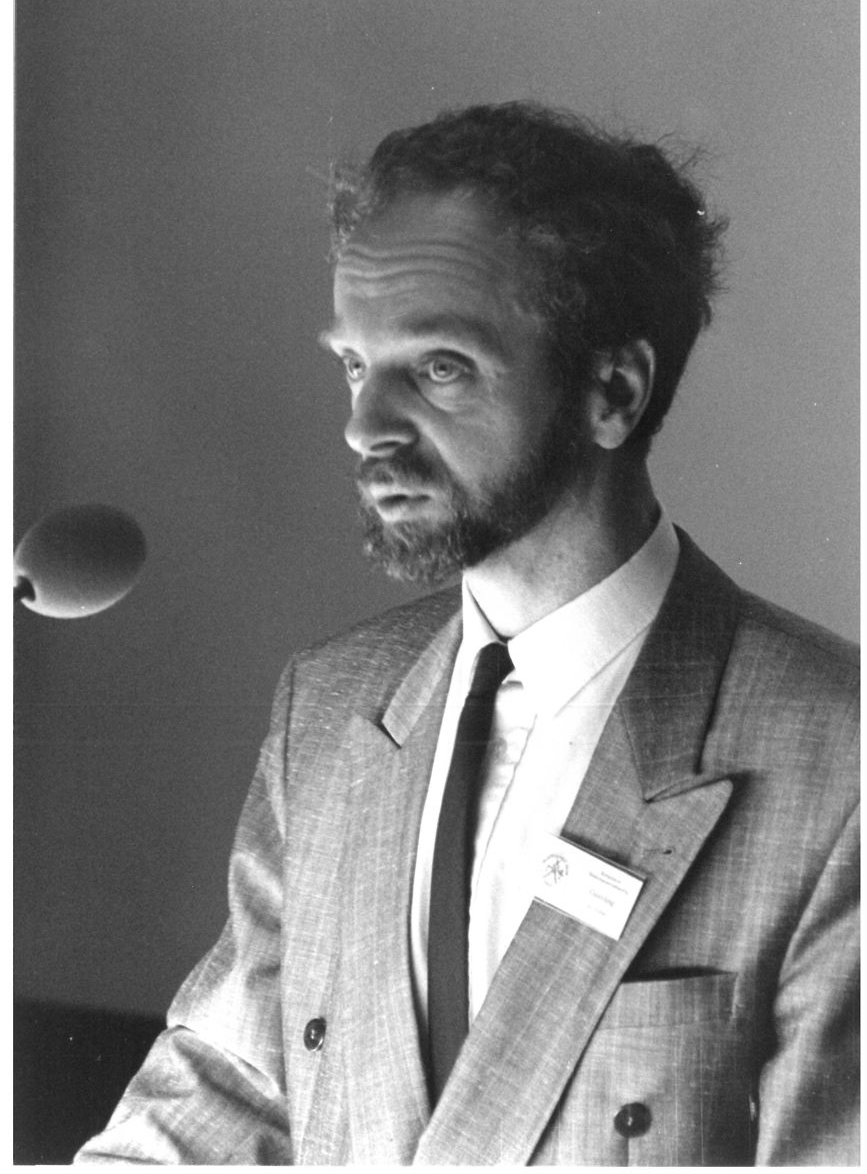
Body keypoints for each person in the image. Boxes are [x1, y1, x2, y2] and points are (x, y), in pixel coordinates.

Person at [75, 102, 858, 1165]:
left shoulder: (838, 761)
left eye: (438, 367)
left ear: (613, 391)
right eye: (356, 365)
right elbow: (232, 1085)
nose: (362, 426)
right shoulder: (332, 709)